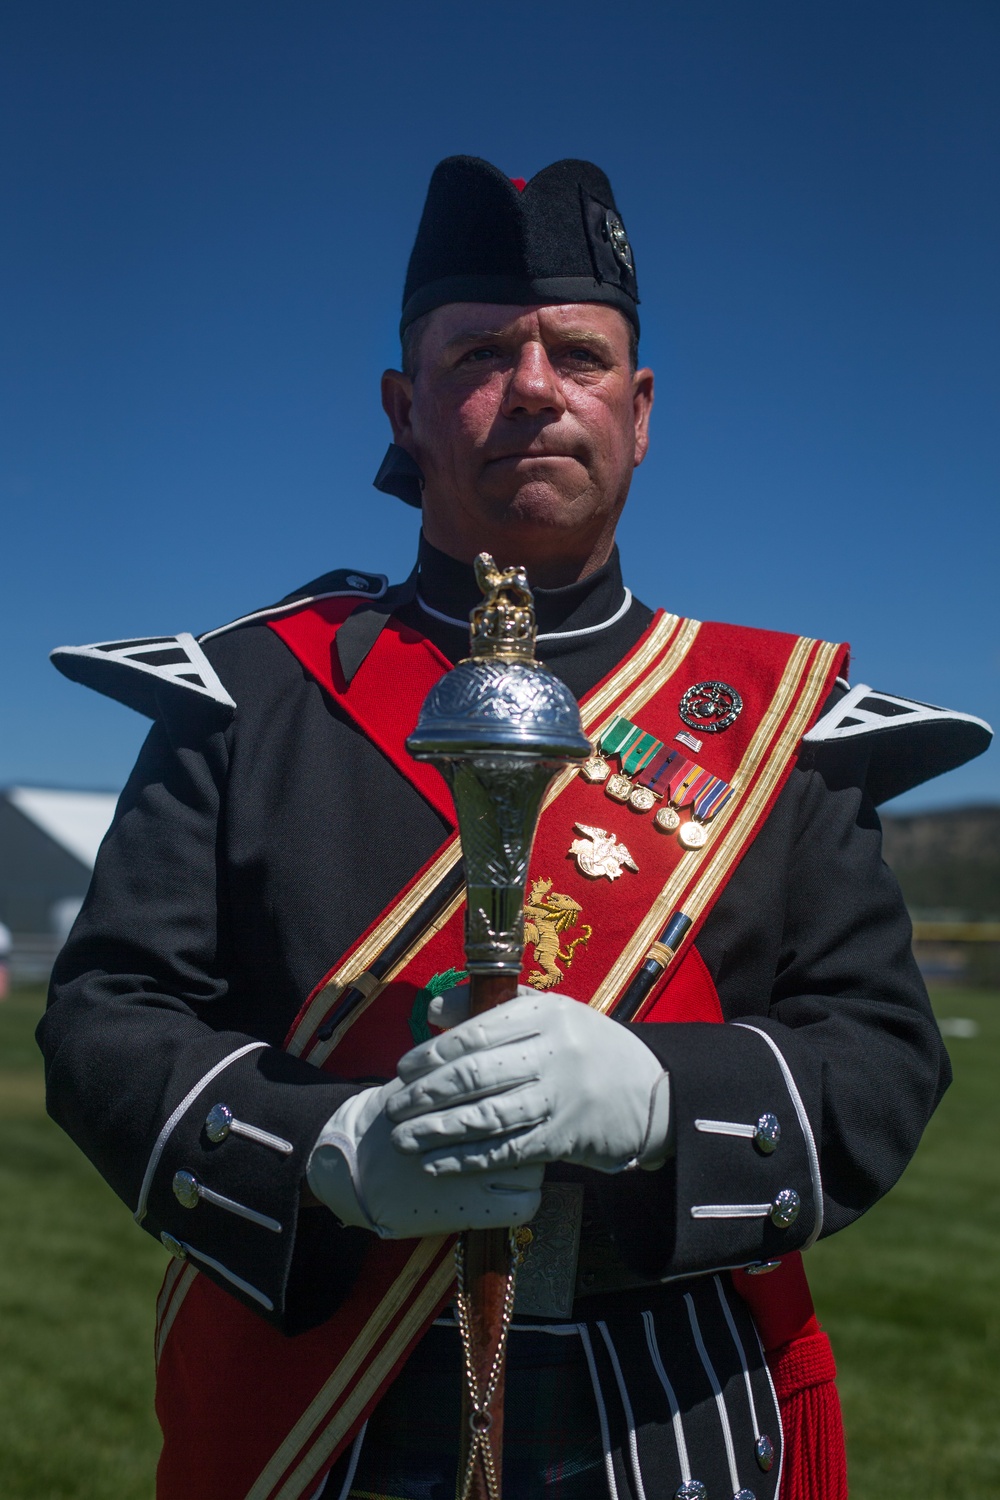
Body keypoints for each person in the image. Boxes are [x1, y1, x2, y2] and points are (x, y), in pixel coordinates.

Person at [41, 157, 991, 1500]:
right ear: (405, 407)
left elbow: (885, 1053)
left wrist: (666, 1099)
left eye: (581, 354)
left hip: (676, 1396)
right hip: (322, 1400)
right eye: (483, 351)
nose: (537, 386)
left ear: (641, 409)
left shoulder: (786, 720)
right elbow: (109, 1020)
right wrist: (328, 1154)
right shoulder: (252, 695)